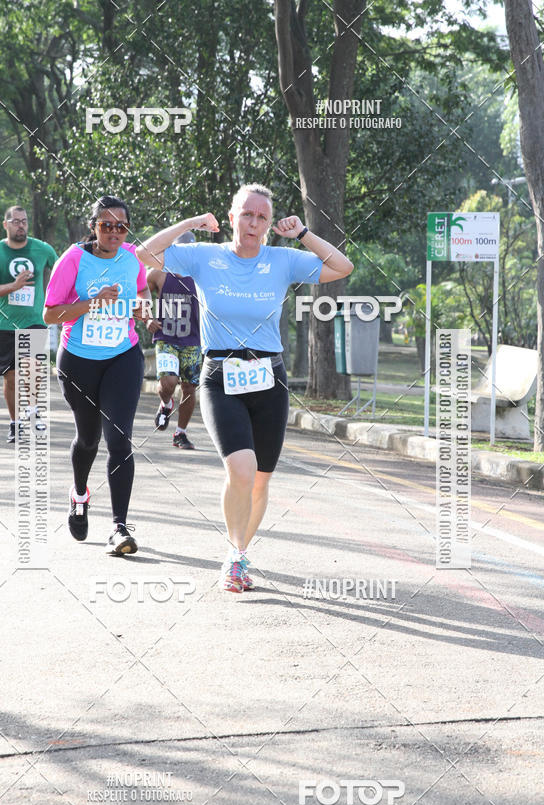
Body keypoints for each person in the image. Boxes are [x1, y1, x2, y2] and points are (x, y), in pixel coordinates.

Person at [136, 184, 353, 591]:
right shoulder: (204, 257)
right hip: (220, 375)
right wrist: (192, 224)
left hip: (269, 377)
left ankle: (240, 552)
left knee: (260, 479)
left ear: (270, 225)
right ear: (231, 217)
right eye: (246, 214)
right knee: (240, 468)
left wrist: (303, 233)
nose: (253, 224)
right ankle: (234, 558)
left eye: (262, 218)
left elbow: (342, 267)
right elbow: (143, 254)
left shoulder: (282, 261)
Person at [44, 195, 149, 556]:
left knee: (119, 438)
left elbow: (142, 290)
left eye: (121, 226)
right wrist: (94, 303)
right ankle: (79, 493)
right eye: (107, 226)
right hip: (79, 362)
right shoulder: (73, 259)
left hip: (123, 355)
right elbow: (50, 315)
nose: (115, 232)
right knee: (88, 440)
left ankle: (119, 527)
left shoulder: (132, 256)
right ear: (93, 227)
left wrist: (145, 311)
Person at [0, 205, 57, 442]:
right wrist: (13, 286)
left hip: (34, 320)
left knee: (32, 368)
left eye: (24, 221)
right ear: (6, 225)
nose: (21, 225)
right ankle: (15, 423)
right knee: (11, 378)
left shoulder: (42, 248)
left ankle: (34, 413)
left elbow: (62, 270)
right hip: (4, 324)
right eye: (15, 221)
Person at [145, 231, 202, 450]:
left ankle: (180, 433)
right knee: (168, 383)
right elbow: (139, 294)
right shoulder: (159, 273)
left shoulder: (202, 276)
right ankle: (166, 403)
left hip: (193, 340)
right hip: (166, 337)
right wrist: (147, 318)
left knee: (189, 387)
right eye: (180, 251)